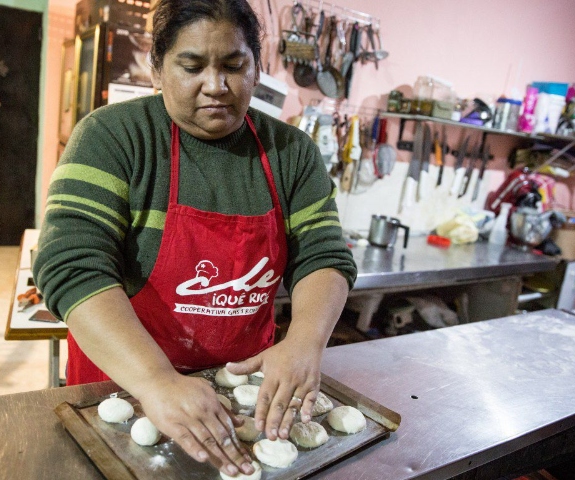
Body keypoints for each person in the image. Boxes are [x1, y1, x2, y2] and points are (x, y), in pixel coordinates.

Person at [33, 0, 356, 476]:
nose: (216, 86)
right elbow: (70, 266)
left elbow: (324, 255)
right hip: (125, 383)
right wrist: (156, 379)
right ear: (157, 68)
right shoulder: (112, 137)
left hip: (244, 395)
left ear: (257, 67)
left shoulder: (291, 153)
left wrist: (305, 342)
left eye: (233, 65)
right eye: (191, 66)